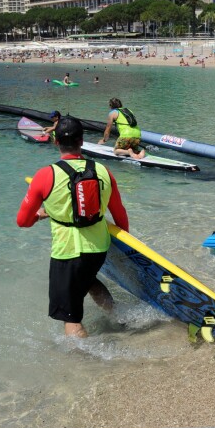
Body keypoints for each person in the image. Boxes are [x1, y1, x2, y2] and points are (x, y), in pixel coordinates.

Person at [17, 116, 129, 338]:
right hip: (98, 248)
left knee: (70, 317)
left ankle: (85, 362)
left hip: (68, 252)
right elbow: (120, 216)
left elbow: (23, 222)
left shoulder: (45, 175)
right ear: (82, 140)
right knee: (88, 281)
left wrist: (41, 215)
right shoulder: (104, 171)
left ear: (56, 141)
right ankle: (120, 318)